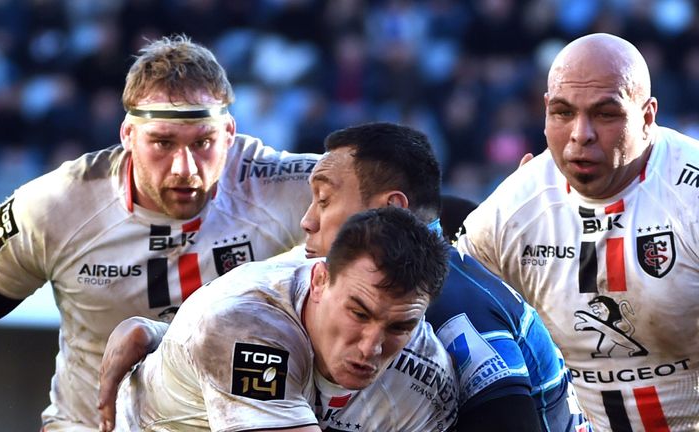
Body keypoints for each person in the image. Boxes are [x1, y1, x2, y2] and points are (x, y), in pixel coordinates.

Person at [0, 34, 319, 431]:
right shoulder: (57, 204)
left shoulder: (290, 186)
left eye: (203, 142)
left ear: (230, 133)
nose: (184, 167)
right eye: (162, 143)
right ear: (127, 136)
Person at [99, 122, 585, 431]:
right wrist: (165, 336)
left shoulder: (452, 318)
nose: (308, 220)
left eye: (326, 200)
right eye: (359, 312)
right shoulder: (330, 271)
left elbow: (512, 418)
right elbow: (241, 318)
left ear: (388, 211)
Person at [456, 32, 699, 431]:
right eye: (564, 113)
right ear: (546, 110)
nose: (580, 134)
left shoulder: (689, 196)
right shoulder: (513, 208)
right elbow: (447, 308)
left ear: (647, 117)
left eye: (605, 114)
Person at [110, 206, 456, 431]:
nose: (371, 347)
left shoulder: (427, 378)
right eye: (358, 313)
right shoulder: (243, 321)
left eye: (399, 327)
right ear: (320, 281)